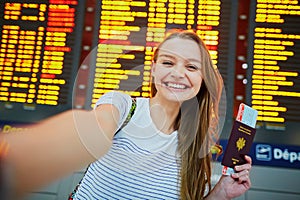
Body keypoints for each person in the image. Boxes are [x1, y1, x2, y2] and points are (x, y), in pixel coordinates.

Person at [0, 30, 252, 199]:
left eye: (191, 66)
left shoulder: (196, 145)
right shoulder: (122, 106)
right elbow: (94, 127)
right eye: (168, 62)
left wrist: (220, 193)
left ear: (202, 79)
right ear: (153, 70)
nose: (178, 73)